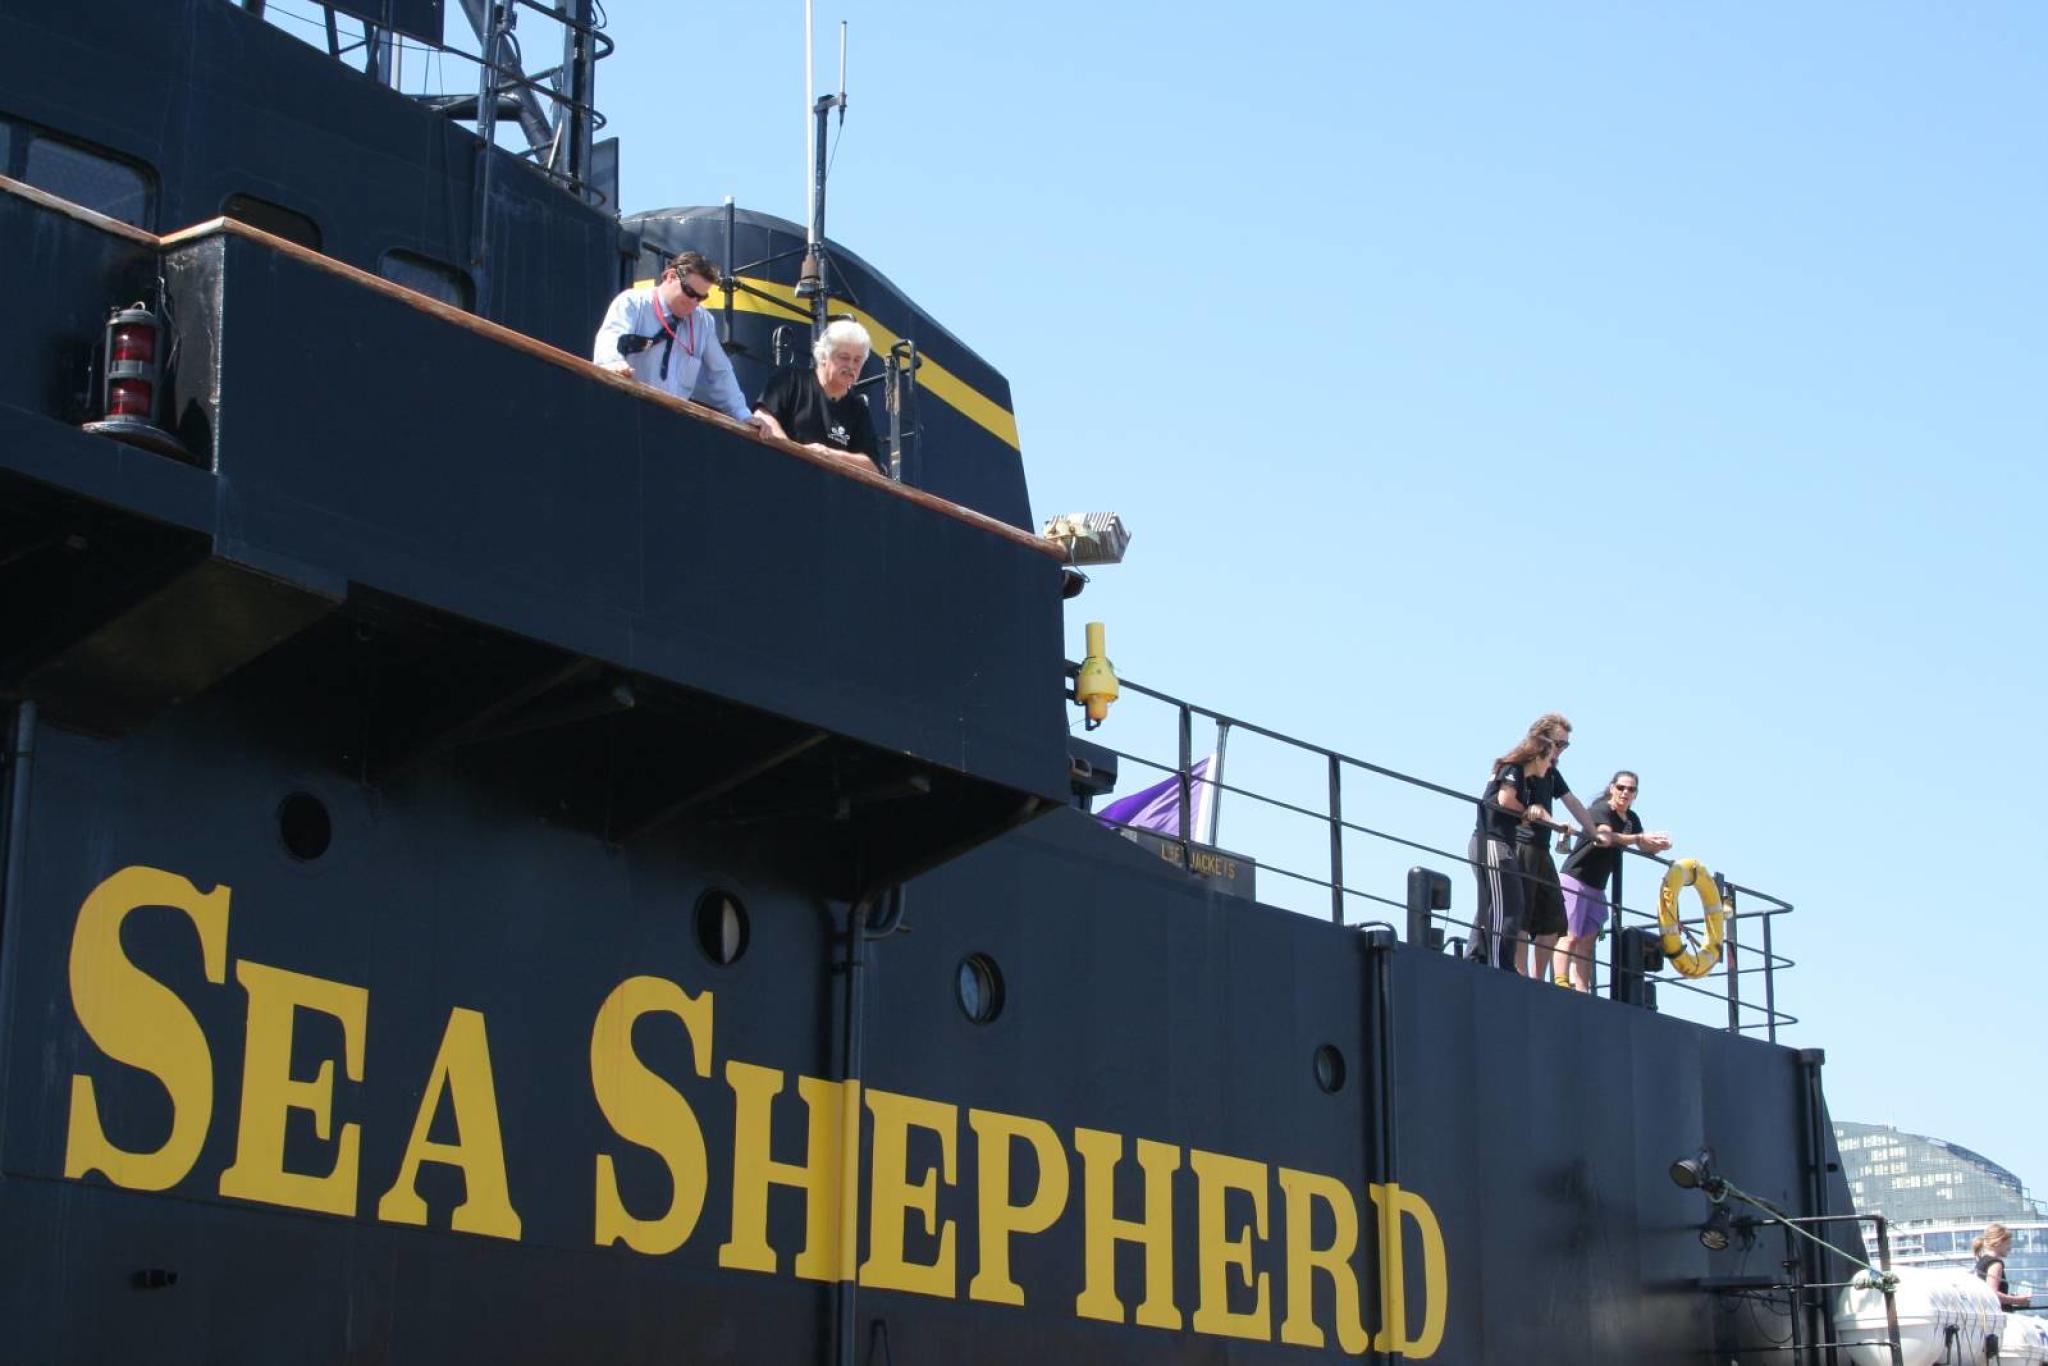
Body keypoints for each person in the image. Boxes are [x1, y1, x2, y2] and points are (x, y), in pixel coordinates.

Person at [593, 250, 765, 431]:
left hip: (671, 425)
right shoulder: (633, 303)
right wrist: (612, 363)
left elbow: (720, 372)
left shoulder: (703, 322)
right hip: (626, 413)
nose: (693, 302)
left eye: (701, 298)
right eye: (690, 292)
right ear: (670, 277)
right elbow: (611, 337)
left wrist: (743, 415)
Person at [1556, 770, 1672, 992]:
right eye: (1621, 787)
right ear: (1612, 788)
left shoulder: (1631, 819)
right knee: (1570, 936)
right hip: (1576, 878)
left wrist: (1658, 844)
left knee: (1587, 944)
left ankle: (1582, 989)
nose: (1625, 792)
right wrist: (1638, 838)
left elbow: (1642, 844)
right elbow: (1605, 837)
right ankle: (1561, 981)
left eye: (1631, 789)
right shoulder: (1601, 810)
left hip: (1598, 886)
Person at [1466, 733, 1557, 972]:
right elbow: (1506, 800)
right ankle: (1497, 964)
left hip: (1499, 843)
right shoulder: (1513, 768)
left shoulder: (1523, 782)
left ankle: (1478, 957)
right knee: (1506, 906)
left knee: (1505, 904)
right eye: (1549, 759)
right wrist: (1526, 812)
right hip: (1493, 843)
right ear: (1537, 757)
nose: (1550, 766)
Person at [1517, 714, 1596, 984]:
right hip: (1523, 844)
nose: (1561, 750)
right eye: (1558, 744)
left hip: (1542, 847)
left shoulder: (1551, 771)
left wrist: (1593, 832)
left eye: (1565, 746)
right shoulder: (1524, 765)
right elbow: (1508, 801)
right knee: (1523, 915)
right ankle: (1521, 974)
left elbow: (1571, 801)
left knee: (1553, 919)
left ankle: (1537, 979)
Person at [753, 318, 884, 474]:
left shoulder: (858, 409)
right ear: (823, 356)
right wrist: (794, 455)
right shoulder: (791, 378)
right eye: (844, 357)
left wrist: (827, 454)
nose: (851, 366)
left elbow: (871, 466)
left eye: (857, 360)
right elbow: (763, 416)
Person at [1974, 1223, 2035, 1310]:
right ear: (1998, 1242)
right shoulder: (1995, 1264)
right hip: (1997, 1316)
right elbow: (1992, 1294)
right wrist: (2018, 1300)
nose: (2010, 1248)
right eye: (2008, 1244)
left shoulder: (1982, 1261)